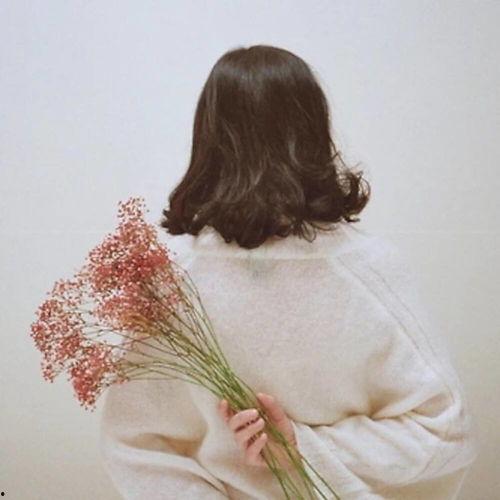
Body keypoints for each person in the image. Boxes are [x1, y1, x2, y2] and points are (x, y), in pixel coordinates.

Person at [98, 44, 478, 499]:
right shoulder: (367, 270)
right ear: (314, 131)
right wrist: (313, 450)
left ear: (209, 136)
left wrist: (301, 448)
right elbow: (444, 434)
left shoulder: (175, 278)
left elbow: (135, 444)